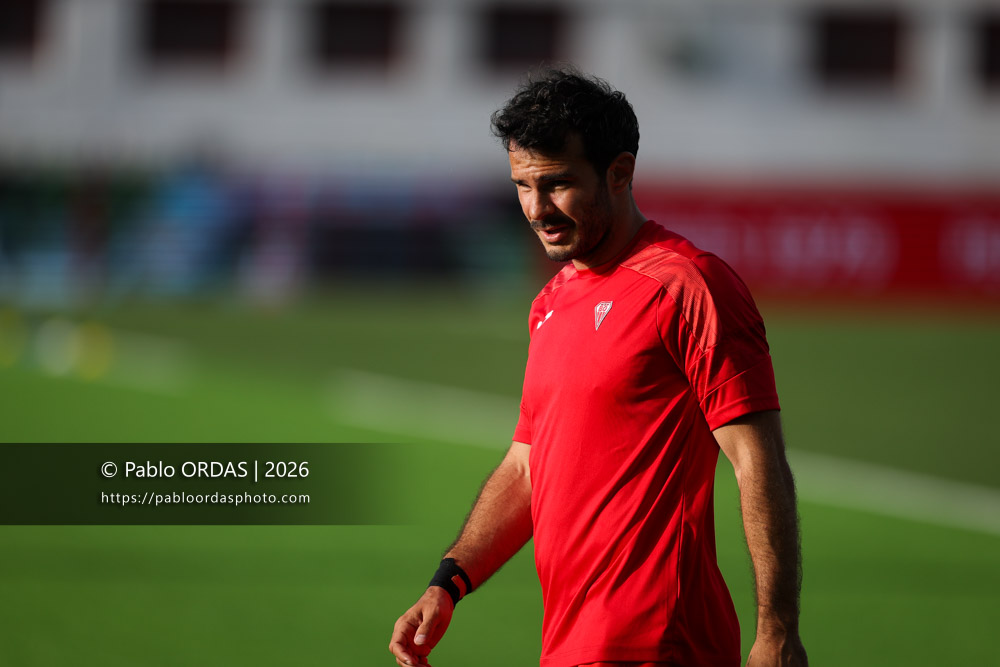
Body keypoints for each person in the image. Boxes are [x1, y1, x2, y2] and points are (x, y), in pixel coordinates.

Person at [389, 67, 807, 667]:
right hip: (568, 643)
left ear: (619, 173)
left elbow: (756, 460)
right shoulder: (549, 303)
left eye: (557, 184)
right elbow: (527, 466)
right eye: (522, 185)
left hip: (657, 642)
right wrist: (448, 583)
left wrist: (777, 631)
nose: (536, 208)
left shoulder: (688, 286)